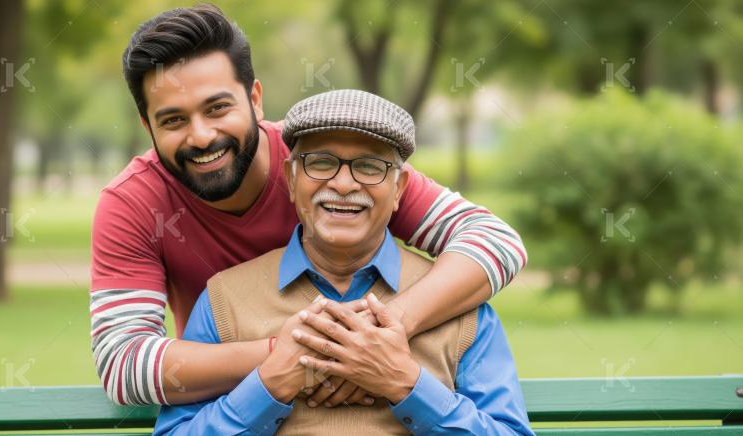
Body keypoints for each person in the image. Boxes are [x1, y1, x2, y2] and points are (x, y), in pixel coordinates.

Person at [91, 3, 527, 407]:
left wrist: (377, 333)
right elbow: (122, 362)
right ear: (147, 124)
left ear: (255, 99)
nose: (201, 136)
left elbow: (496, 241)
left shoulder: (324, 166)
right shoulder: (133, 204)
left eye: (217, 108)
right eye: (173, 119)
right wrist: (290, 355)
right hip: (240, 408)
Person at [153, 89, 533, 435]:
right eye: (320, 163)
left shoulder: (458, 304)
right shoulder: (224, 300)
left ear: (399, 189)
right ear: (290, 179)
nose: (344, 184)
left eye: (368, 166)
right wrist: (268, 387)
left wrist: (405, 383)